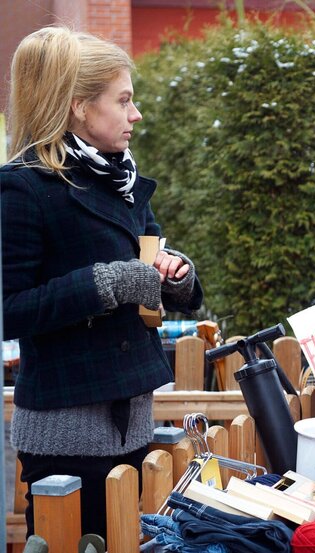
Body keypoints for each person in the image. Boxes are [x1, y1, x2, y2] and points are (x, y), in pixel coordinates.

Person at [2, 27, 203, 540]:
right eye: (124, 100)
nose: (136, 115)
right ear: (79, 108)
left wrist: (174, 274)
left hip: (132, 415)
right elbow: (9, 308)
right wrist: (107, 283)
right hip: (64, 430)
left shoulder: (121, 178)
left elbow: (151, 255)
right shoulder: (22, 187)